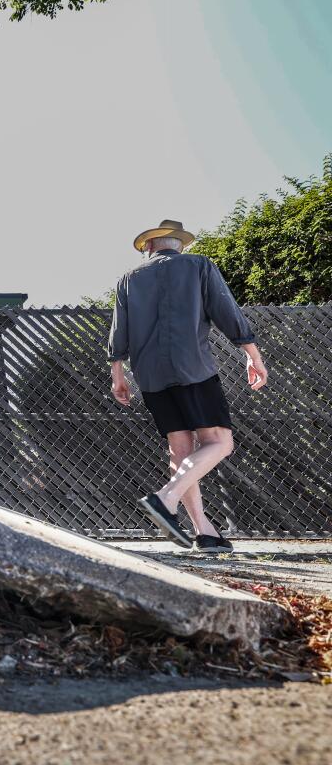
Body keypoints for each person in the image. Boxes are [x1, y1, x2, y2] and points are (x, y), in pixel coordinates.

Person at [108, 219, 268, 553]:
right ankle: (166, 498)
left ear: (150, 246)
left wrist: (117, 375)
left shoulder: (129, 279)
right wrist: (252, 354)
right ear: (180, 245)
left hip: (150, 375)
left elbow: (119, 330)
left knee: (180, 450)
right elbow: (226, 310)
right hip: (191, 368)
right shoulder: (198, 265)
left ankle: (204, 533)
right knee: (220, 443)